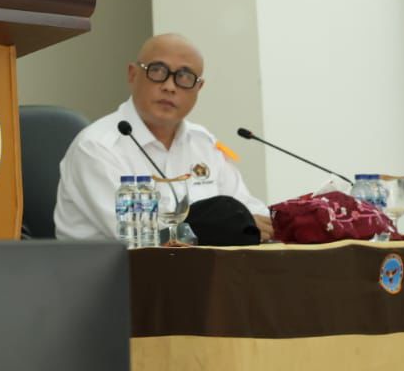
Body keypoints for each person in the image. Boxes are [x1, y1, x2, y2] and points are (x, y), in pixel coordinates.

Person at [52, 33, 272, 241]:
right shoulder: (96, 147)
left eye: (184, 77)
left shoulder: (203, 143)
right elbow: (140, 236)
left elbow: (252, 213)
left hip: (197, 265)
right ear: (132, 74)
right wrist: (222, 226)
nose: (169, 86)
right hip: (114, 268)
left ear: (198, 87)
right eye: (157, 71)